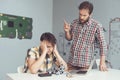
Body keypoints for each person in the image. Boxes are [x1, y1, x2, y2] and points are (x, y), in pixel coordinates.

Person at [64, 1, 107, 71]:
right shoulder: (74, 23)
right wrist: (67, 31)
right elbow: (69, 38)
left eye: (84, 15)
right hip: (72, 62)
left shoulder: (97, 25)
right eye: (80, 14)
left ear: (90, 14)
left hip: (85, 65)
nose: (81, 17)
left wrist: (102, 62)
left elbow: (103, 44)